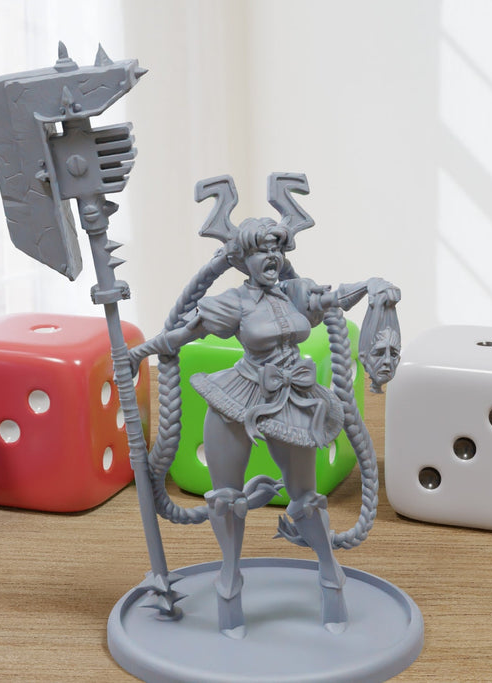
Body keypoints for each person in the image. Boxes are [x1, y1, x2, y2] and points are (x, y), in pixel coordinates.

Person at [129, 215, 399, 638]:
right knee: (226, 499)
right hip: (238, 397)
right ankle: (229, 585)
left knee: (307, 499)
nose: (271, 257)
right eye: (261, 250)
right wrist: (136, 355)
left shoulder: (295, 292)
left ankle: (331, 579)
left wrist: (372, 285)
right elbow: (180, 335)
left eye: (276, 248)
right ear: (242, 258)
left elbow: (336, 297)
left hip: (294, 397)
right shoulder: (232, 302)